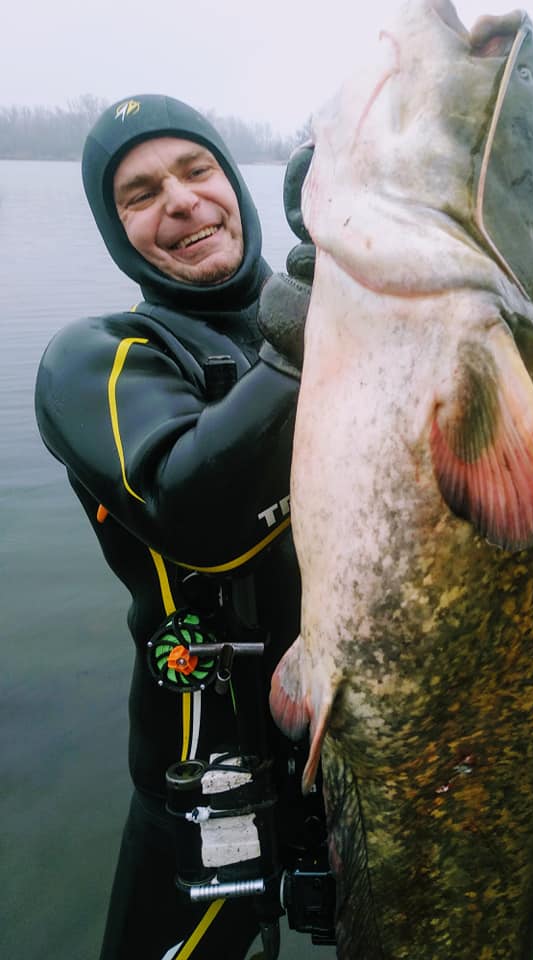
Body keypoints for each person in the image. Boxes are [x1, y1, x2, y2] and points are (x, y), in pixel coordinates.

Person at [35, 94, 318, 960]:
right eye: (141, 192)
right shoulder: (97, 358)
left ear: (234, 183)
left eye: (198, 171)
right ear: (118, 230)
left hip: (364, 762)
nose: (183, 201)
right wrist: (316, 307)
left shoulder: (341, 315)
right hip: (205, 790)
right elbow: (197, 515)